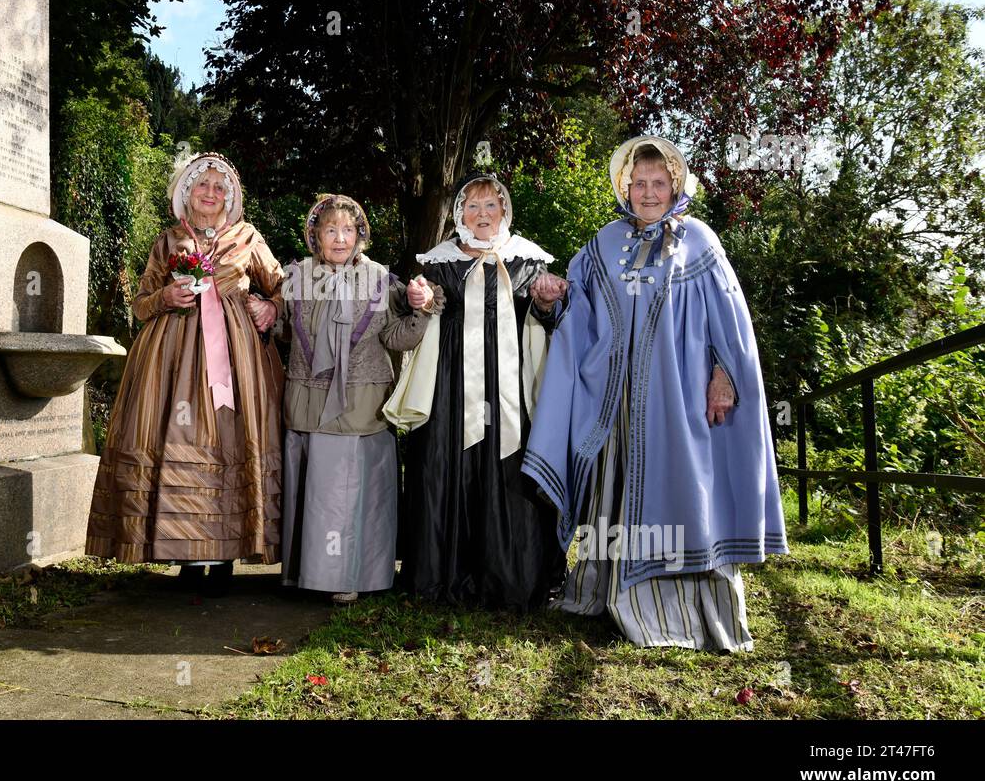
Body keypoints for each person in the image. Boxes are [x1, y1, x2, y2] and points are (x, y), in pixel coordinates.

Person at [521, 135, 788, 651]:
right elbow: (580, 314)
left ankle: (681, 614)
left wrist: (724, 374)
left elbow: (730, 322)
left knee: (680, 492)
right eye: (638, 183)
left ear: (675, 186)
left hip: (679, 400)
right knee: (614, 490)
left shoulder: (701, 242)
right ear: (624, 186)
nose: (647, 192)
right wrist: (553, 298)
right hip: (613, 404)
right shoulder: (601, 243)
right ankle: (605, 593)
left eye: (658, 183)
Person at [86, 152, 286, 597]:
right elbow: (139, 303)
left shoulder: (248, 238)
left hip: (236, 365)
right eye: (203, 186)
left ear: (230, 197)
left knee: (229, 441)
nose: (211, 193)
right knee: (179, 441)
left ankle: (226, 555)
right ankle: (187, 555)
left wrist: (269, 308)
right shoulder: (169, 240)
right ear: (186, 192)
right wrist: (164, 298)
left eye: (220, 187)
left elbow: (282, 288)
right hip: (171, 362)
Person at [392, 173, 568, 611]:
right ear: (459, 214)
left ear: (505, 211)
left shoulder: (528, 261)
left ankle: (513, 578)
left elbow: (548, 322)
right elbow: (426, 306)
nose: (483, 214)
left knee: (510, 469)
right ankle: (442, 577)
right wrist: (421, 298)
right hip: (451, 385)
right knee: (443, 465)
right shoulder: (439, 262)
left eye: (492, 206)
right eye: (473, 206)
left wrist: (546, 302)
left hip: (510, 385)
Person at [273, 195, 444, 605]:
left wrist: (422, 310)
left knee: (352, 494)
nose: (339, 237)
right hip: (309, 403)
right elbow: (281, 329)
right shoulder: (295, 276)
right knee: (315, 495)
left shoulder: (382, 280)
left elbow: (396, 335)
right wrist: (264, 311)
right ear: (315, 234)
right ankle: (305, 573)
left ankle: (352, 574)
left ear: (360, 234)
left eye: (347, 230)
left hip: (362, 405)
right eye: (330, 229)